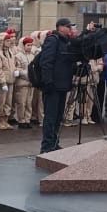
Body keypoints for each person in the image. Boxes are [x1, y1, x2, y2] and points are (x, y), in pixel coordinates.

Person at [38, 18, 78, 153]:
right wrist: (47, 82)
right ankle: (46, 146)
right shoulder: (53, 40)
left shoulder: (67, 42)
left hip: (63, 85)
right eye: (68, 27)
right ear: (60, 27)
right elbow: (46, 62)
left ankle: (54, 143)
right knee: (50, 117)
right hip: (52, 86)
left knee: (58, 117)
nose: (70, 29)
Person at [0, 32, 17, 130]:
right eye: (7, 40)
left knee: (8, 102)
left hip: (11, 80)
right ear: (2, 42)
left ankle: (6, 120)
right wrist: (2, 82)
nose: (9, 42)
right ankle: (0, 121)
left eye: (9, 40)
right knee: (1, 102)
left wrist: (15, 70)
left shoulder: (10, 52)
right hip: (3, 82)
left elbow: (13, 65)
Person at [13, 36, 35, 129]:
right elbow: (16, 69)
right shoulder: (18, 56)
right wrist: (28, 75)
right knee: (21, 103)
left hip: (31, 84)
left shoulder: (32, 56)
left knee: (29, 103)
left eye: (31, 45)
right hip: (22, 83)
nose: (29, 47)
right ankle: (21, 120)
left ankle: (27, 119)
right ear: (23, 45)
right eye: (27, 45)